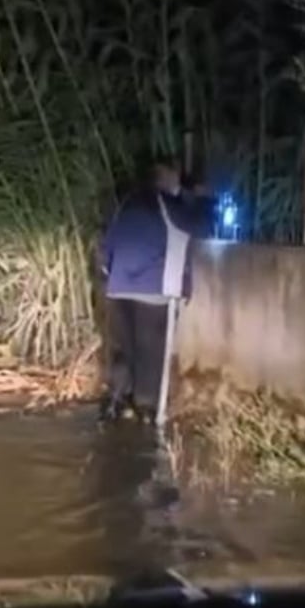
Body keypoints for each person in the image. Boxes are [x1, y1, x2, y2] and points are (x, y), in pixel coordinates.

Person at [98, 159, 213, 425]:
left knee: (124, 350)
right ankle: (147, 412)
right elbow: (202, 226)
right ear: (164, 181)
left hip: (118, 290)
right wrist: (203, 199)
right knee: (151, 354)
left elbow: (106, 246)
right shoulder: (166, 205)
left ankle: (115, 402)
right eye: (174, 178)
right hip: (154, 288)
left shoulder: (127, 204)